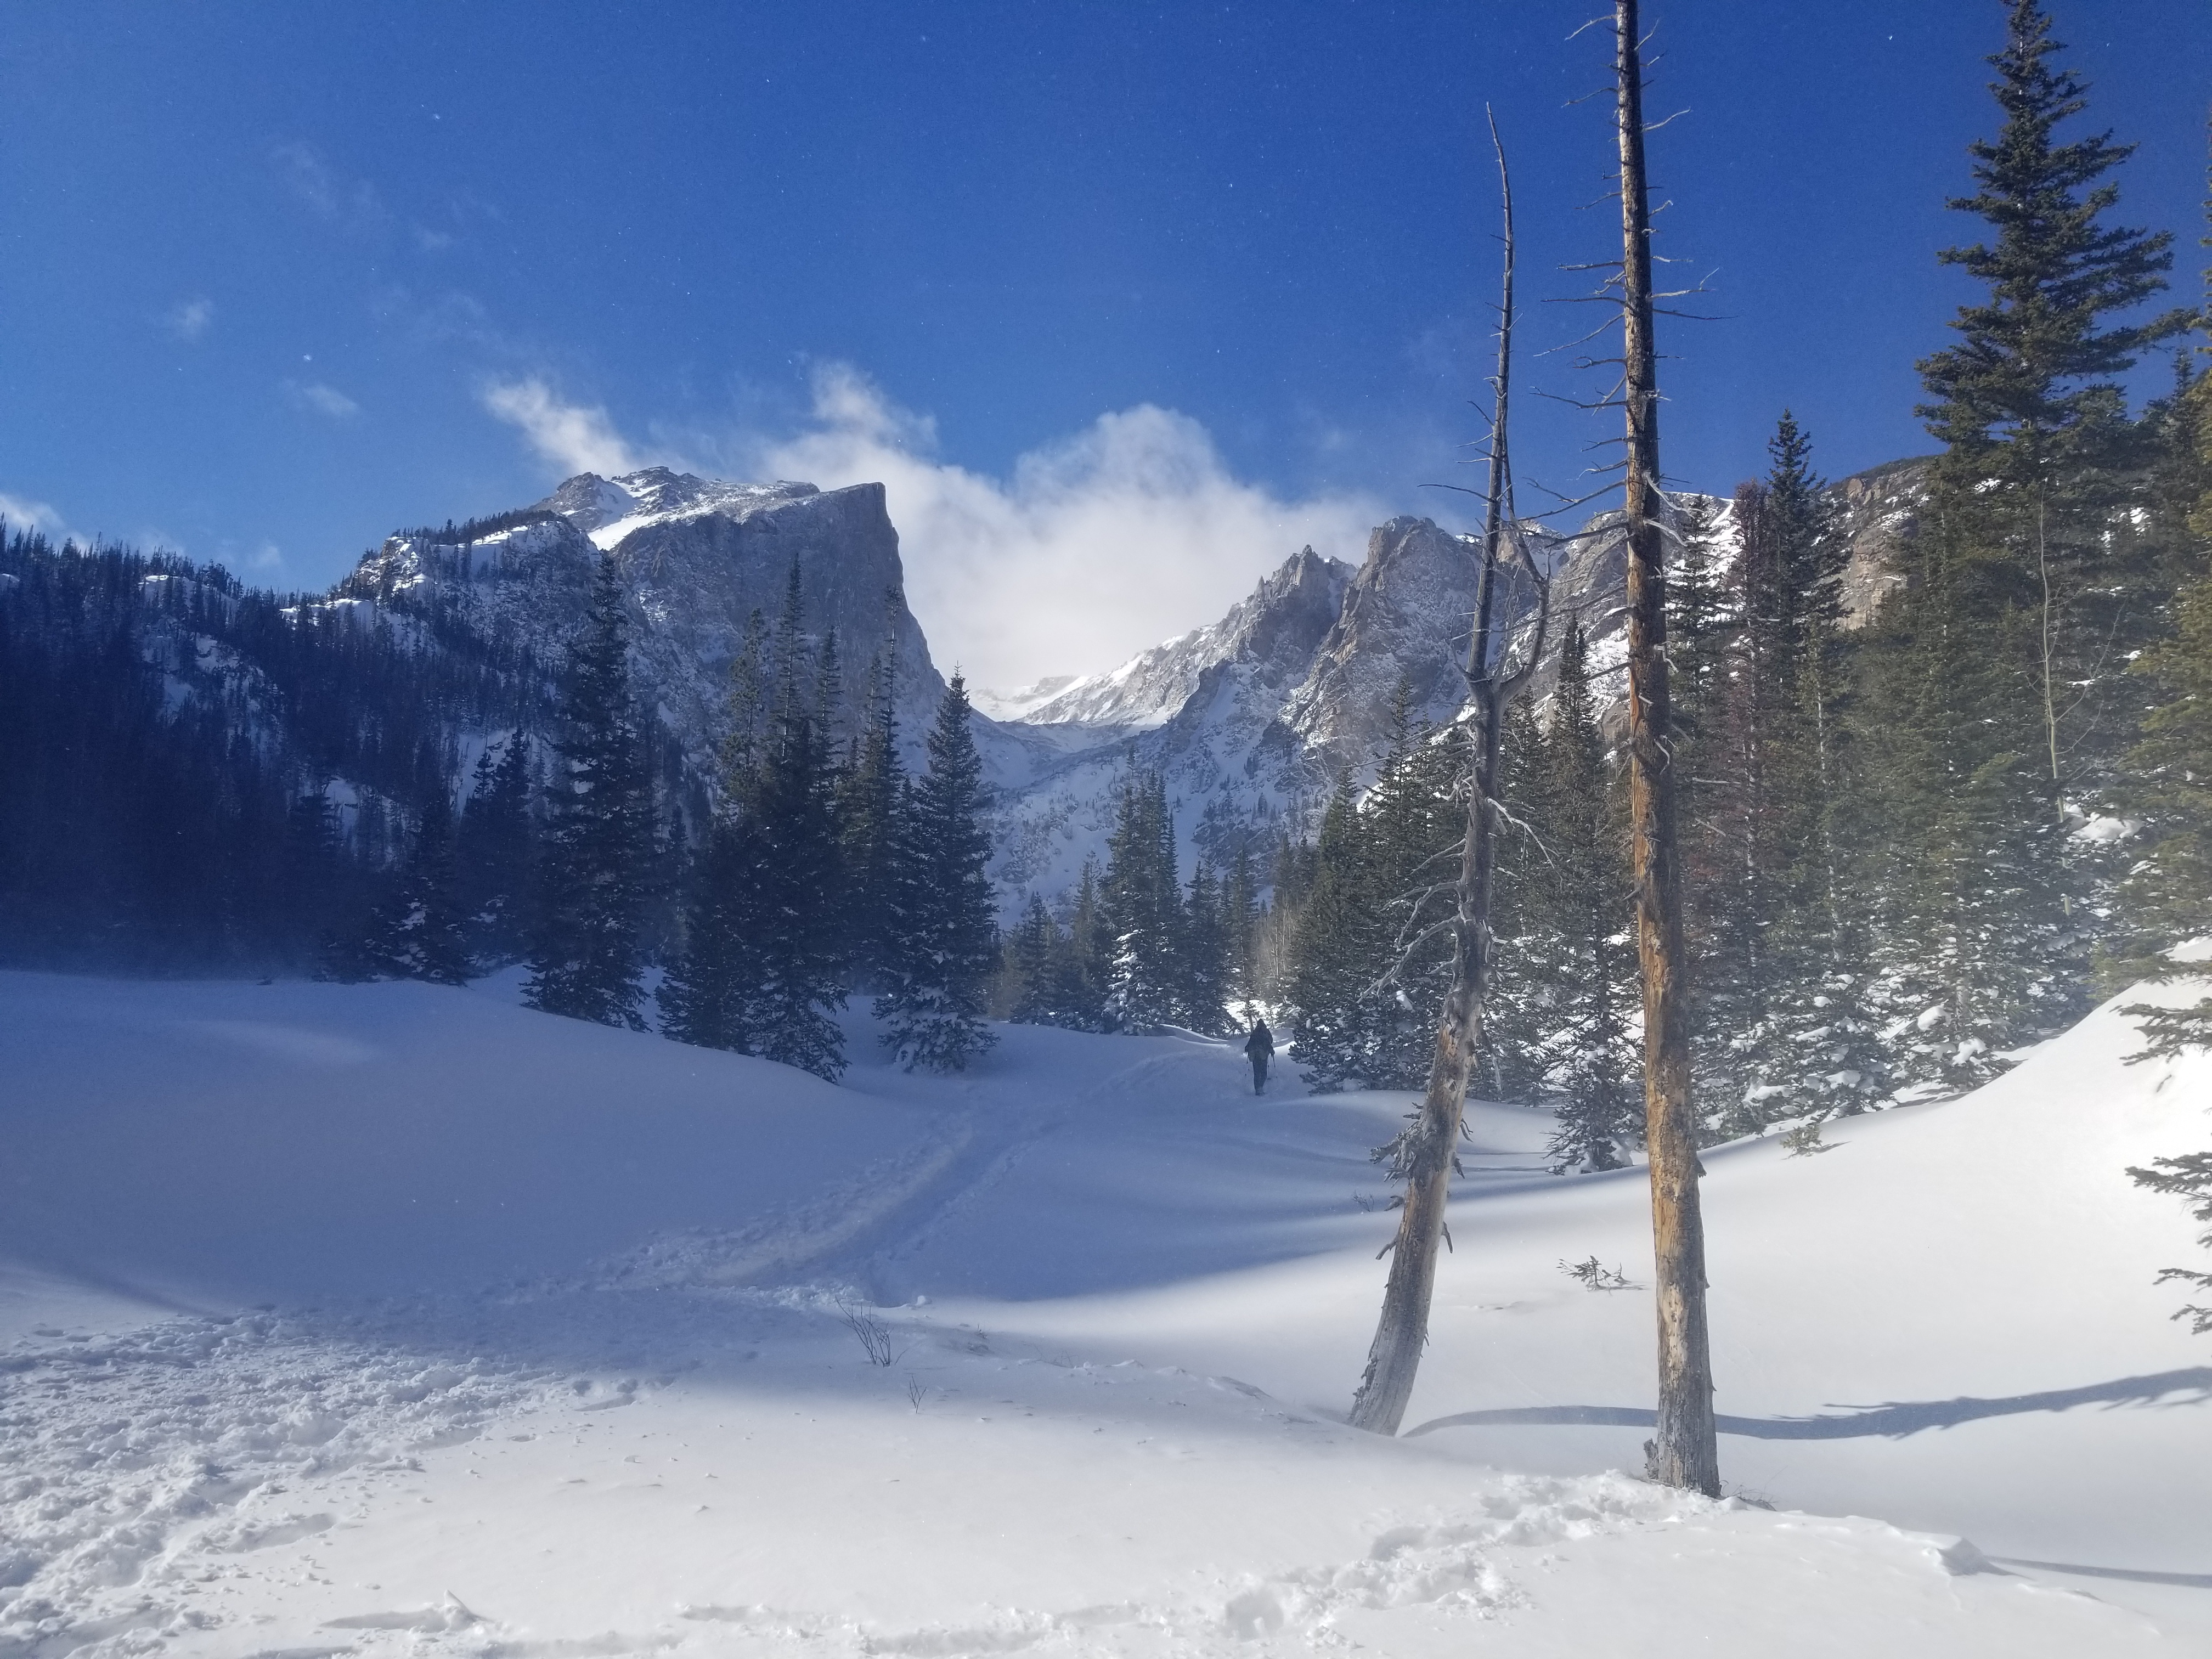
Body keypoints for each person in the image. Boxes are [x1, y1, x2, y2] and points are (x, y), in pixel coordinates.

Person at [1243, 1018, 1274, 1095]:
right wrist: (1271, 1050)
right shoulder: (1266, 1032)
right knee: (1263, 1071)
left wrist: (1247, 1048)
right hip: (1263, 1054)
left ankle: (1257, 1088)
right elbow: (1269, 1042)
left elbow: (1250, 1042)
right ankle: (1261, 1087)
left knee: (1257, 1072)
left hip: (1255, 1054)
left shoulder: (1255, 1032)